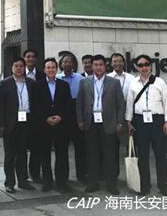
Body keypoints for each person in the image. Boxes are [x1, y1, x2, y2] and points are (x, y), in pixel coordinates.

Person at [76, 54, 125, 194]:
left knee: (109, 155)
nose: (98, 67)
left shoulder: (114, 83)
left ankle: (111, 184)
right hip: (90, 122)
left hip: (108, 123)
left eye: (101, 65)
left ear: (105, 66)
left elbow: (120, 104)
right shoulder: (84, 82)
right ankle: (93, 183)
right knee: (92, 154)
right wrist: (80, 120)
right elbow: (79, 103)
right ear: (92, 66)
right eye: (96, 65)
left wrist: (119, 122)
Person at [126, 54, 167, 196]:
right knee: (143, 156)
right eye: (140, 65)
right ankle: (144, 185)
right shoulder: (133, 83)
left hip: (157, 121)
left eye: (146, 64)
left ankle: (163, 185)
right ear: (137, 67)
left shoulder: (159, 82)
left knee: (160, 155)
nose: (144, 67)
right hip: (140, 122)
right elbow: (129, 103)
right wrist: (129, 121)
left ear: (151, 66)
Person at [0, 57, 36, 193]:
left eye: (21, 66)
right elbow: (0, 106)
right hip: (10, 123)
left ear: (24, 68)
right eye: (16, 66)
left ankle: (23, 181)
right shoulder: (5, 83)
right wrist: (0, 124)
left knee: (22, 153)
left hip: (26, 122)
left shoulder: (30, 83)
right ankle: (9, 183)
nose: (19, 68)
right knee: (10, 154)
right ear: (12, 68)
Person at [33, 57, 72, 192]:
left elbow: (68, 104)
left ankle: (62, 182)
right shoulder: (37, 85)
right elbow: (35, 106)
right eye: (48, 67)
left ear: (57, 69)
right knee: (45, 155)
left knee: (62, 154)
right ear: (44, 70)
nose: (51, 70)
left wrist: (60, 116)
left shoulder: (63, 85)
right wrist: (46, 118)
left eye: (53, 67)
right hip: (44, 125)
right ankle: (47, 181)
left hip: (61, 125)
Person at [57, 52, 86, 183]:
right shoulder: (57, 78)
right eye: (65, 62)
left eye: (70, 62)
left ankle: (81, 175)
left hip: (76, 113)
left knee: (80, 148)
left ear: (74, 64)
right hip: (62, 114)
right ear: (61, 64)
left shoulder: (80, 78)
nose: (67, 64)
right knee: (62, 148)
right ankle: (63, 177)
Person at [107, 52, 133, 177]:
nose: (117, 64)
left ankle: (132, 176)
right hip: (112, 117)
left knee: (130, 148)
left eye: (120, 61)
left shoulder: (131, 78)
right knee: (112, 149)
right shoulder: (107, 78)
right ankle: (113, 175)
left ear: (124, 63)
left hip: (127, 116)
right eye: (115, 61)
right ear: (111, 63)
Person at [23, 48, 45, 183]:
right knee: (21, 148)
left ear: (36, 59)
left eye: (33, 57)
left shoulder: (42, 75)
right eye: (28, 56)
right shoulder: (18, 73)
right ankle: (22, 176)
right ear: (24, 59)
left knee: (37, 147)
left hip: (37, 117)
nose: (30, 59)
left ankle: (35, 173)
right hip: (22, 117)